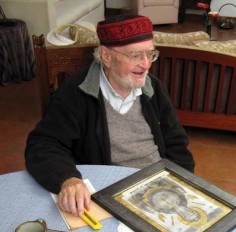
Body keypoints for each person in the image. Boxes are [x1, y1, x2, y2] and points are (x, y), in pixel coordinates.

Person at [25, 14, 195, 218]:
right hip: (109, 191)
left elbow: (176, 143)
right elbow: (43, 144)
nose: (146, 64)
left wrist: (183, 184)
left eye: (150, 54)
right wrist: (68, 179)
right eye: (135, 55)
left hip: (159, 186)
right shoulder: (75, 93)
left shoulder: (153, 87)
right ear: (106, 56)